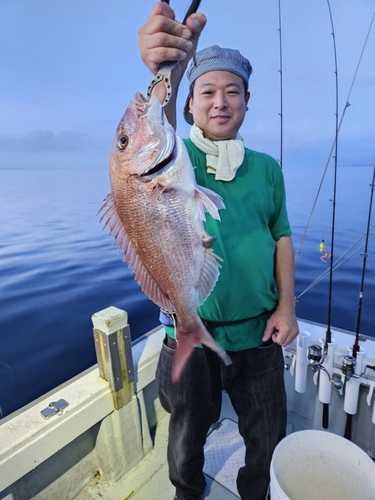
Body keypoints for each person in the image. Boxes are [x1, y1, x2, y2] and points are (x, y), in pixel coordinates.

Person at [138, 3, 299, 500]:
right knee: (186, 433)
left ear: (247, 102)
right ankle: (187, 493)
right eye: (207, 91)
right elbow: (150, 127)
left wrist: (288, 306)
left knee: (267, 432)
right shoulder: (175, 160)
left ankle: (256, 493)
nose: (220, 102)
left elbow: (282, 235)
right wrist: (168, 67)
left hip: (258, 334)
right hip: (189, 329)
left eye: (233, 92)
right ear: (189, 107)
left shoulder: (268, 168)